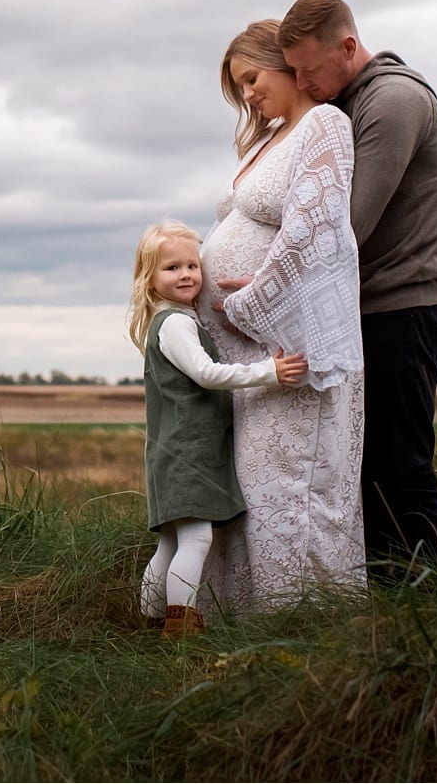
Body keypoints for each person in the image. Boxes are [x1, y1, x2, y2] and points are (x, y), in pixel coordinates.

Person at [276, 0, 437, 572]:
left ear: (348, 46)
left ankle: (427, 602)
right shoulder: (352, 101)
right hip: (366, 311)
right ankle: (382, 601)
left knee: (399, 461)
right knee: (365, 461)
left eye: (307, 70)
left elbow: (346, 222)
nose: (302, 82)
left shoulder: (394, 100)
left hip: (401, 309)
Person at [197, 22, 367, 612]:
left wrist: (252, 300)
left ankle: (303, 621)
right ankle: (247, 620)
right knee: (252, 488)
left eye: (251, 77)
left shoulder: (325, 124)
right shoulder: (268, 138)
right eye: (237, 86)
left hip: (287, 347)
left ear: (286, 65)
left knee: (291, 486)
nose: (246, 94)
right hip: (248, 359)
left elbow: (318, 233)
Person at [129, 219, 307, 637]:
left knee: (171, 544)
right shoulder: (174, 323)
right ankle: (180, 629)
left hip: (172, 451)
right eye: (171, 268)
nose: (187, 274)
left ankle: (150, 624)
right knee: (195, 542)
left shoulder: (170, 319)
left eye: (192, 265)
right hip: (188, 452)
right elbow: (206, 374)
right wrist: (270, 371)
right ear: (149, 278)